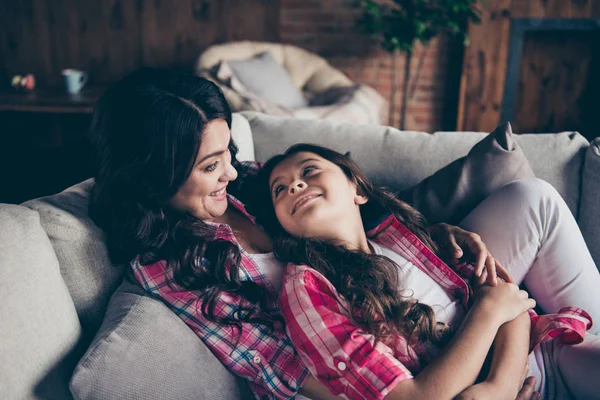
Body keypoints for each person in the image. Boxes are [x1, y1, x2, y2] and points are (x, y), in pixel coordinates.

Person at [88, 68, 548, 400]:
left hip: (424, 303)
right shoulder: (172, 269)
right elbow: (285, 366)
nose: (231, 170)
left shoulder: (249, 182)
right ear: (153, 179)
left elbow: (354, 205)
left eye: (227, 150)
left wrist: (436, 232)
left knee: (531, 200)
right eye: (210, 166)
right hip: (392, 369)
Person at [253, 143, 600, 400]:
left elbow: (508, 299)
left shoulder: (398, 236)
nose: (295, 186)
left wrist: (500, 384)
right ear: (285, 225)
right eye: (279, 189)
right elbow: (410, 398)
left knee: (534, 194)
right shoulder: (307, 287)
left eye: (309, 171)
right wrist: (488, 312)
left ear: (356, 189)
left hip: (533, 356)